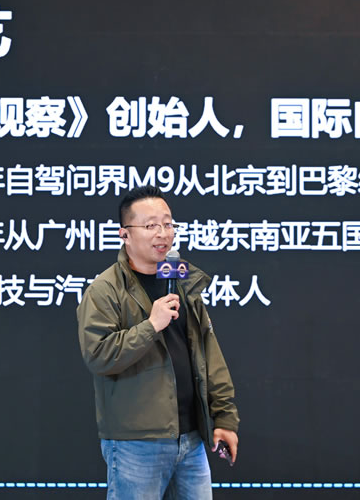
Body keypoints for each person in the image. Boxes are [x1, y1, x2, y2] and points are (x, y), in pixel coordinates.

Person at [76, 185, 240, 499]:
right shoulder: (105, 290)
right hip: (136, 443)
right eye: (151, 225)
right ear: (125, 234)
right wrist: (151, 326)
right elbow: (98, 355)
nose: (162, 233)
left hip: (191, 439)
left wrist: (224, 418)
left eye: (167, 223)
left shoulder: (181, 281)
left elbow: (208, 354)